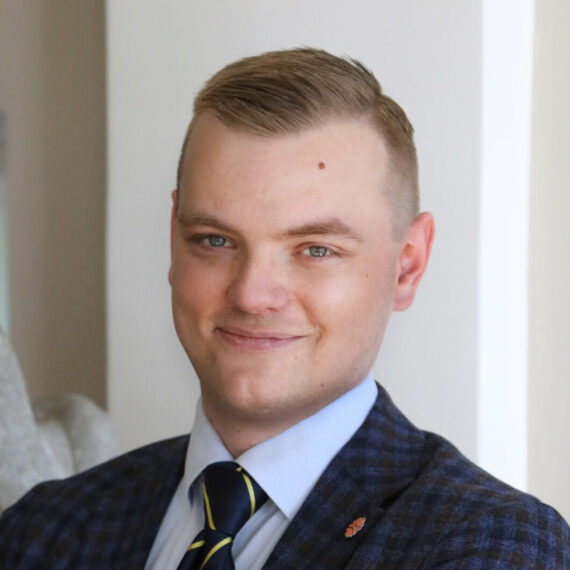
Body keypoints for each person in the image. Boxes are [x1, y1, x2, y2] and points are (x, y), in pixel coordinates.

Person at [0, 47, 568, 569]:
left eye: (316, 249)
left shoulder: (495, 544)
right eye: (215, 240)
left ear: (408, 265)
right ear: (174, 241)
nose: (252, 295)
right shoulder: (43, 530)